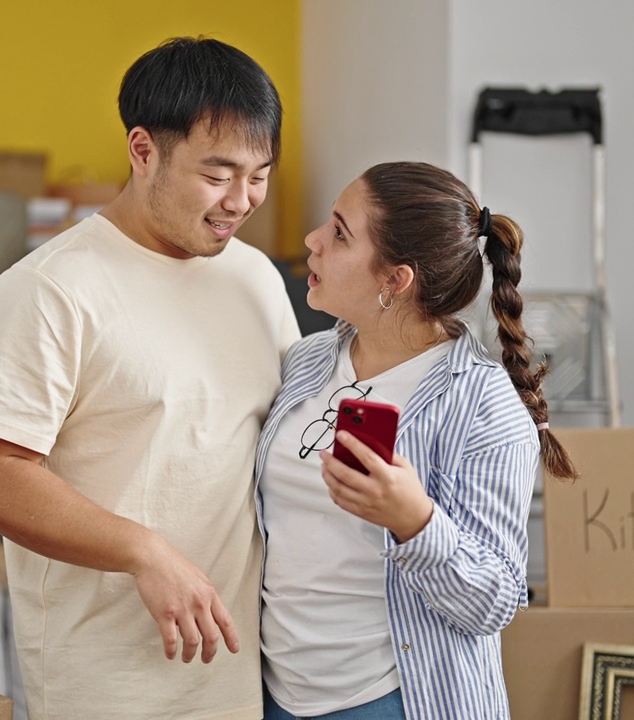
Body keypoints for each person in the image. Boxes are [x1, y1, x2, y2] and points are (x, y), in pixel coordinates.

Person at [0, 37, 300, 720]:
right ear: (143, 151)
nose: (242, 200)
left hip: (238, 677)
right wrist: (145, 552)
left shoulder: (257, 279)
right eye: (218, 173)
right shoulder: (50, 290)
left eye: (259, 174)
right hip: (106, 683)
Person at [255, 161, 579, 720]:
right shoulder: (308, 361)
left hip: (396, 700)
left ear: (394, 280)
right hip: (276, 694)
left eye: (338, 232)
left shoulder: (483, 404)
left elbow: (497, 600)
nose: (312, 241)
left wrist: (415, 521)